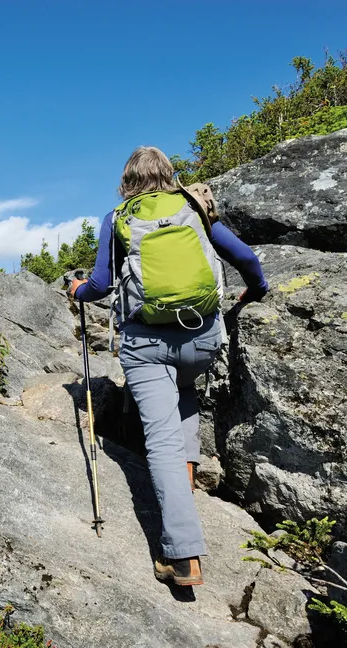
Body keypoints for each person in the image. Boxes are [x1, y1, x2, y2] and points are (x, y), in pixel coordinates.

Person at [70, 146, 268, 587]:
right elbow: (249, 261)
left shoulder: (118, 217)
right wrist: (255, 292)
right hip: (201, 339)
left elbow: (101, 285)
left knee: (159, 442)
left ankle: (183, 557)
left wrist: (76, 289)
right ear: (169, 174)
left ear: (128, 180)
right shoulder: (194, 206)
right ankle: (188, 479)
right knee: (183, 392)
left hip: (145, 343)